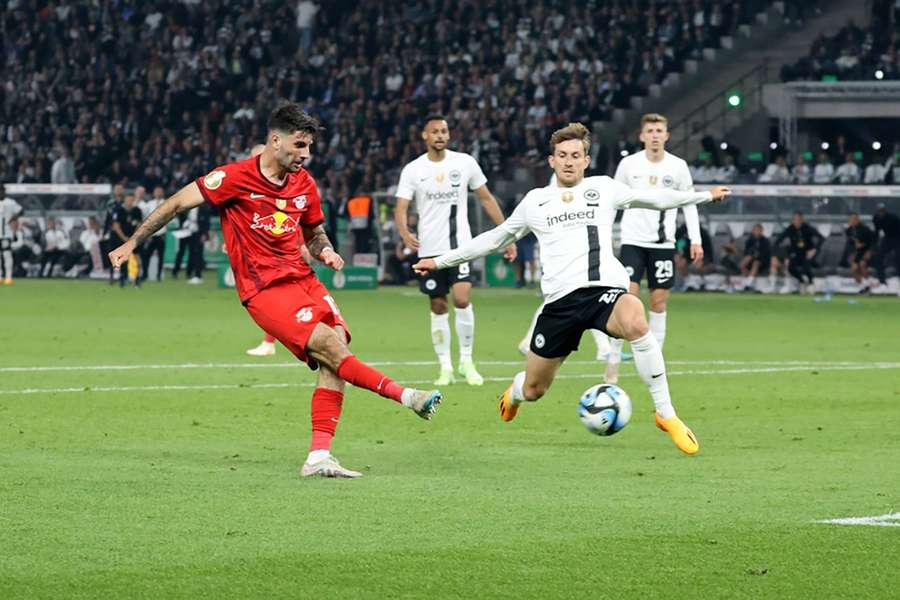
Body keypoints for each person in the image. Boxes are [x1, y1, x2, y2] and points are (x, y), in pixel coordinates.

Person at [109, 103, 441, 478]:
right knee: (332, 348)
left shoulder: (305, 183)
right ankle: (407, 397)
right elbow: (175, 204)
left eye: (309, 147)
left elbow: (314, 233)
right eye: (300, 146)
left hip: (304, 280)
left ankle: (318, 457)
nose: (306, 155)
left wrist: (326, 250)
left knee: (337, 352)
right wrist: (133, 242)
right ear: (274, 140)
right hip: (264, 289)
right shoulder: (233, 178)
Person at [413, 123, 730, 455]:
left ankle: (666, 414)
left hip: (603, 292)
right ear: (551, 161)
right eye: (562, 156)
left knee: (636, 319)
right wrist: (441, 261)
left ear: (586, 160)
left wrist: (704, 195)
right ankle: (515, 393)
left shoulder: (605, 188)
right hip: (560, 305)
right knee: (535, 388)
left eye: (575, 156)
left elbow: (656, 199)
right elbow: (494, 239)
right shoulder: (536, 202)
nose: (568, 161)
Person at [394, 114, 516, 386]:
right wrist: (405, 233)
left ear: (449, 135)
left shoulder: (464, 163)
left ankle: (467, 361)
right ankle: (445, 367)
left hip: (461, 247)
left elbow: (485, 198)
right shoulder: (413, 169)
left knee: (462, 299)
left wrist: (507, 234)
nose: (440, 135)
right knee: (438, 305)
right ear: (425, 136)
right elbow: (401, 207)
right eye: (434, 131)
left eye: (444, 131)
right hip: (428, 250)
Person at [605, 113, 705, 384]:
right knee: (625, 300)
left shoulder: (678, 166)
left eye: (659, 130)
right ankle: (612, 361)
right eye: (650, 131)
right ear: (642, 136)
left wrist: (695, 239)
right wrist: (605, 236)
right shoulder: (629, 165)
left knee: (658, 302)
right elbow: (612, 201)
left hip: (663, 244)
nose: (655, 135)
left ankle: (654, 363)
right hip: (632, 242)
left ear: (666, 135)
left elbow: (689, 202)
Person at [772, 212, 824, 294]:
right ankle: (802, 281)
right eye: (795, 219)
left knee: (806, 266)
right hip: (796, 254)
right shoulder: (790, 229)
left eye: (798, 219)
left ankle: (811, 283)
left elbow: (821, 238)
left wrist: (814, 249)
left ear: (802, 220)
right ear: (792, 220)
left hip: (807, 253)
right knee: (790, 268)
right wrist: (785, 254)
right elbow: (777, 241)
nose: (797, 221)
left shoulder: (807, 228)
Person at [139, 186, 169, 282]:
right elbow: (145, 217)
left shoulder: (167, 203)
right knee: (146, 255)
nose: (158, 193)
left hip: (161, 234)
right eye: (156, 191)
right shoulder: (149, 204)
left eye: (160, 191)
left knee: (161, 256)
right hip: (151, 235)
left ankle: (159, 275)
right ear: (153, 193)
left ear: (163, 193)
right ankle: (145, 274)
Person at [843, 212, 875, 293]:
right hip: (856, 252)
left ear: (857, 220)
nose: (853, 221)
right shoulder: (848, 230)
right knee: (853, 269)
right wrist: (854, 245)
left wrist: (869, 251)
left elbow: (873, 241)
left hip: (866, 251)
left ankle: (868, 284)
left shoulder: (865, 229)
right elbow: (851, 242)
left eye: (854, 219)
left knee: (862, 265)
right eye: (851, 219)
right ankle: (863, 286)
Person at [872, 203, 900, 294]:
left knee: (898, 259)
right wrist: (875, 246)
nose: (880, 212)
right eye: (879, 210)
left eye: (882, 210)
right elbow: (876, 232)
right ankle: (882, 282)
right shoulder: (876, 218)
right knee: (878, 257)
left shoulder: (893, 217)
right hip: (887, 239)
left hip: (897, 238)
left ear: (885, 210)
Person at [0, 183, 24, 284]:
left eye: (2, 191)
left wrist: (14, 218)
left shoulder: (10, 203)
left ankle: (8, 277)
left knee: (7, 255)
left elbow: (21, 210)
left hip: (6, 234)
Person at [738, 224, 771, 291]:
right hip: (750, 261)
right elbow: (746, 253)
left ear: (762, 231)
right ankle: (748, 281)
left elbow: (766, 255)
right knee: (743, 263)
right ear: (753, 231)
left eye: (758, 230)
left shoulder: (765, 241)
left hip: (762, 262)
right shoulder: (749, 241)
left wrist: (755, 256)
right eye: (755, 230)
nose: (757, 232)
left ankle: (748, 285)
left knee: (756, 263)